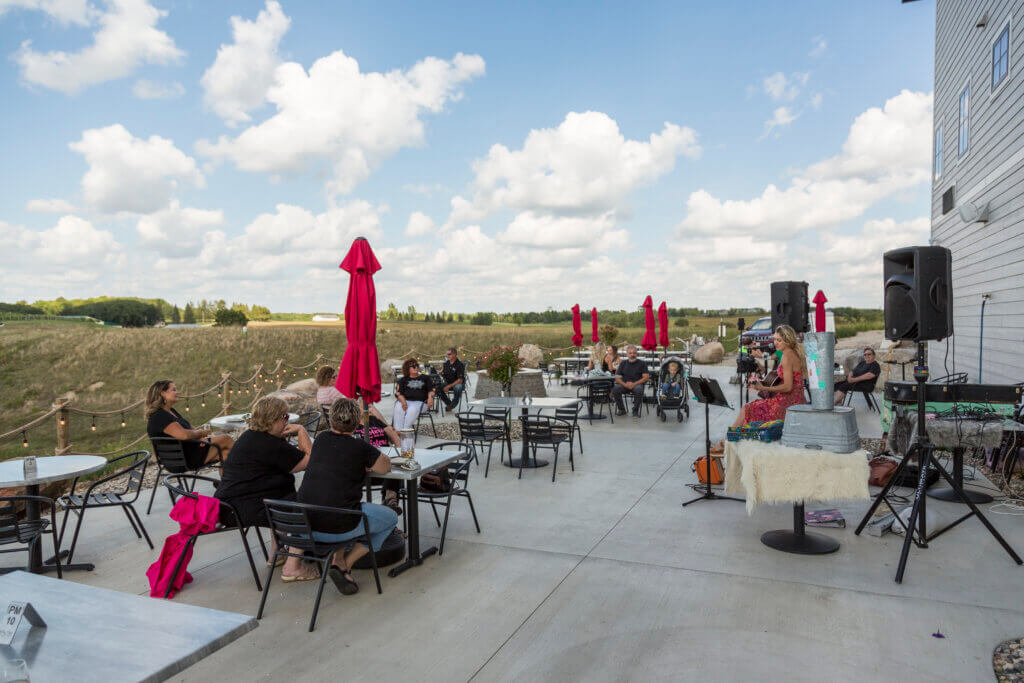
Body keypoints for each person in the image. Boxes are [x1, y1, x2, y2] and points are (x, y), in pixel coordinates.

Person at [297, 398, 399, 595]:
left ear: (332, 419)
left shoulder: (320, 441)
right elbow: (385, 466)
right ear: (357, 420)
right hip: (338, 525)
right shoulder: (360, 447)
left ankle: (339, 558)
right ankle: (344, 565)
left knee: (341, 504)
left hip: (305, 526)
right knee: (390, 518)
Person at [214, 396, 316, 581]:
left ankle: (277, 553)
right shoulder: (270, 444)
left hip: (227, 505)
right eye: (284, 416)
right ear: (273, 420)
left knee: (282, 493)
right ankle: (292, 568)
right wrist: (301, 430)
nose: (287, 420)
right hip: (241, 510)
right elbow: (310, 460)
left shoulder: (250, 437)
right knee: (310, 504)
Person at [712, 325, 806, 454]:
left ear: (788, 340)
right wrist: (764, 383)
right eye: (775, 339)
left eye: (779, 340)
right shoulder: (791, 353)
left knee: (747, 409)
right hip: (795, 399)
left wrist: (764, 387)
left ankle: (726, 442)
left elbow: (789, 386)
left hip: (788, 402)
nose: (775, 343)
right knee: (750, 408)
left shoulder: (787, 356)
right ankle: (727, 441)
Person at [145, 379, 232, 465]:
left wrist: (201, 437)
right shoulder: (160, 416)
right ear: (163, 393)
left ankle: (232, 478)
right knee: (225, 439)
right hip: (182, 459)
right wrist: (201, 433)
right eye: (174, 390)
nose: (178, 392)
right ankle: (243, 469)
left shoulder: (171, 411)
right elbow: (184, 435)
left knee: (226, 454)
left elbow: (191, 429)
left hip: (188, 453)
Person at [351, 402, 404, 515]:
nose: (370, 409)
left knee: (396, 468)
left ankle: (390, 500)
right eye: (367, 407)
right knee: (391, 470)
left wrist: (400, 452)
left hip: (384, 465)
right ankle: (389, 505)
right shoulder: (351, 426)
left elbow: (392, 434)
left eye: (370, 406)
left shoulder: (374, 420)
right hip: (366, 471)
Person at [393, 358, 434, 430]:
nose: (416, 367)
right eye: (413, 366)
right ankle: (398, 430)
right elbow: (399, 393)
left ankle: (405, 430)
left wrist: (430, 398)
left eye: (417, 365)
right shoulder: (403, 380)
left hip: (421, 403)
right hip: (406, 401)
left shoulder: (426, 378)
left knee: (412, 409)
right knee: (398, 407)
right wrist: (403, 402)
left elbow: (431, 390)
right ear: (407, 369)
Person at [612, 345, 650, 418]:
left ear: (637, 354)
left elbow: (646, 377)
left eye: (634, 353)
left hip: (637, 384)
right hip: (625, 384)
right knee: (616, 389)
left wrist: (634, 384)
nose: (632, 355)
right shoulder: (623, 363)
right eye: (630, 353)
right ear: (627, 354)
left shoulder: (642, 363)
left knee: (639, 390)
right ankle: (622, 409)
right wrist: (625, 384)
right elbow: (617, 377)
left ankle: (635, 411)